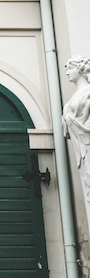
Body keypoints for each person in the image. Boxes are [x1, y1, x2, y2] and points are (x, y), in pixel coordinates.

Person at [62, 55, 90, 202]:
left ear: (80, 69)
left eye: (70, 68)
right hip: (81, 146)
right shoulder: (73, 98)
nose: (67, 72)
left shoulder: (88, 92)